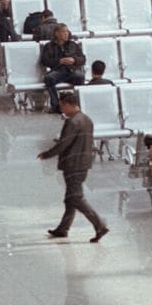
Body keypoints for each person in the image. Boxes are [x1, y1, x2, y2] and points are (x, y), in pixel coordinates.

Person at [39, 92, 108, 241]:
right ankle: (63, 228)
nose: (61, 110)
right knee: (70, 198)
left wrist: (47, 154)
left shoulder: (72, 122)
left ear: (68, 104)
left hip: (73, 164)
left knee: (76, 198)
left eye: (62, 106)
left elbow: (63, 143)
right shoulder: (86, 119)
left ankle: (100, 225)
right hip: (83, 162)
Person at [39, 24, 85, 93]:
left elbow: (83, 58)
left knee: (80, 76)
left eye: (67, 32)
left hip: (72, 71)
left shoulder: (72, 44)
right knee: (49, 78)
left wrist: (74, 60)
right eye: (63, 32)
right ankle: (55, 102)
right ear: (56, 33)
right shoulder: (49, 46)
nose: (66, 34)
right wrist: (59, 61)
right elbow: (44, 61)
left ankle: (76, 100)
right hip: (57, 71)